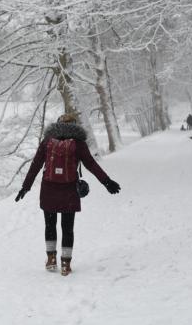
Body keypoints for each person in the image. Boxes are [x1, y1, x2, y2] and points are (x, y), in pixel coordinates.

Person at [15, 113, 121, 276]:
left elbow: (36, 164)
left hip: (49, 189)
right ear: (75, 126)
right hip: (69, 190)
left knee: (50, 225)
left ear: (57, 125)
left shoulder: (47, 142)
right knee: (67, 227)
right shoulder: (78, 144)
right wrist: (107, 182)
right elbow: (91, 165)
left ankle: (51, 260)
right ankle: (65, 264)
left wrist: (25, 187)